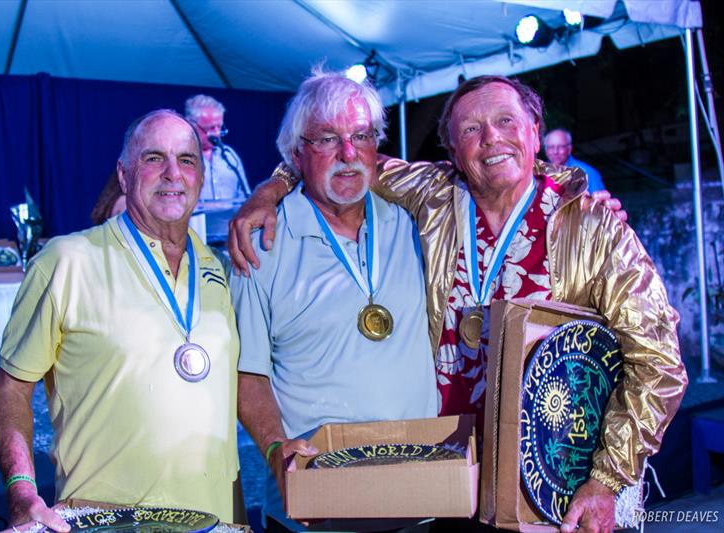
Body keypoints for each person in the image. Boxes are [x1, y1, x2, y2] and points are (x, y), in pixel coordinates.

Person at [229, 76, 687, 533]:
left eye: (506, 120)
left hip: (551, 498)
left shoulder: (593, 227)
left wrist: (606, 481)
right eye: (471, 129)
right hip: (443, 491)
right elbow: (341, 159)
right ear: (451, 148)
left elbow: (660, 364)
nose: (491, 139)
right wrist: (270, 191)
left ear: (534, 129)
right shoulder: (432, 198)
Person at [0, 109, 240, 532]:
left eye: (187, 160)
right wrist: (21, 490)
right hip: (103, 522)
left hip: (211, 523)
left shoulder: (216, 269)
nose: (173, 173)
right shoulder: (66, 262)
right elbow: (10, 390)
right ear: (123, 175)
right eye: (153, 158)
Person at [231, 70, 437, 532]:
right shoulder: (262, 241)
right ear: (297, 153)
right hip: (316, 504)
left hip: (418, 495)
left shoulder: (414, 224)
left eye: (360, 136)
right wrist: (273, 447)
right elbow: (247, 371)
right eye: (327, 139)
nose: (348, 154)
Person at [185, 94, 250, 201]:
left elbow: (245, 195)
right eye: (210, 128)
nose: (216, 133)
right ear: (191, 125)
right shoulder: (179, 156)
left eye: (219, 127)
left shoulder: (229, 155)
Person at [544, 128, 605, 193]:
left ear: (569, 149)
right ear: (546, 150)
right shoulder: (540, 174)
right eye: (551, 147)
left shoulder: (588, 173)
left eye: (561, 147)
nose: (555, 152)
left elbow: (600, 201)